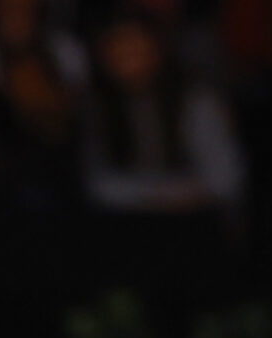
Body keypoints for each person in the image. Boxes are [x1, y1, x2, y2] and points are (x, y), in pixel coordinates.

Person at [80, 10, 243, 213]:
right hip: (125, 219)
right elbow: (97, 181)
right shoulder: (97, 107)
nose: (129, 62)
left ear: (157, 49)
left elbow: (225, 178)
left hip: (196, 216)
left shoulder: (195, 101)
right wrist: (152, 195)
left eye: (136, 50)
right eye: (118, 52)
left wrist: (174, 196)